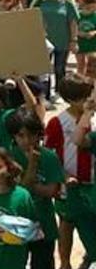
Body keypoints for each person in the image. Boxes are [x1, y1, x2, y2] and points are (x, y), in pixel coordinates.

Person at [47, 74, 96, 268]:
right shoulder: (57, 122)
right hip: (69, 186)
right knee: (67, 223)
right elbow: (50, 156)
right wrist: (64, 176)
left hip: (92, 184)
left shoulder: (92, 120)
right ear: (73, 100)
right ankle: (65, 263)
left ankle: (90, 255)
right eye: (86, 98)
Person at [7, 108, 64, 269]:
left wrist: (26, 183)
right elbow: (18, 192)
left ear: (39, 134)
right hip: (17, 224)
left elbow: (51, 191)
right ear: (13, 136)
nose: (26, 140)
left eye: (31, 135)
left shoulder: (49, 157)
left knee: (43, 264)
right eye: (20, 136)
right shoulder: (9, 157)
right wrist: (32, 167)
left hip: (43, 224)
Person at [31, 0, 79, 100]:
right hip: (43, 41)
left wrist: (74, 40)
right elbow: (29, 17)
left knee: (59, 69)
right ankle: (44, 96)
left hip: (62, 40)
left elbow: (73, 21)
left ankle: (60, 94)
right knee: (43, 72)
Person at [76, 0, 96, 76]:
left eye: (94, 8)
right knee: (80, 64)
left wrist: (94, 32)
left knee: (91, 65)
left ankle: (89, 83)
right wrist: (81, 33)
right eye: (90, 8)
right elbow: (72, 28)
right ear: (84, 5)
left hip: (92, 44)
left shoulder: (94, 16)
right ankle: (80, 83)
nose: (92, 10)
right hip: (80, 43)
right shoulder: (78, 15)